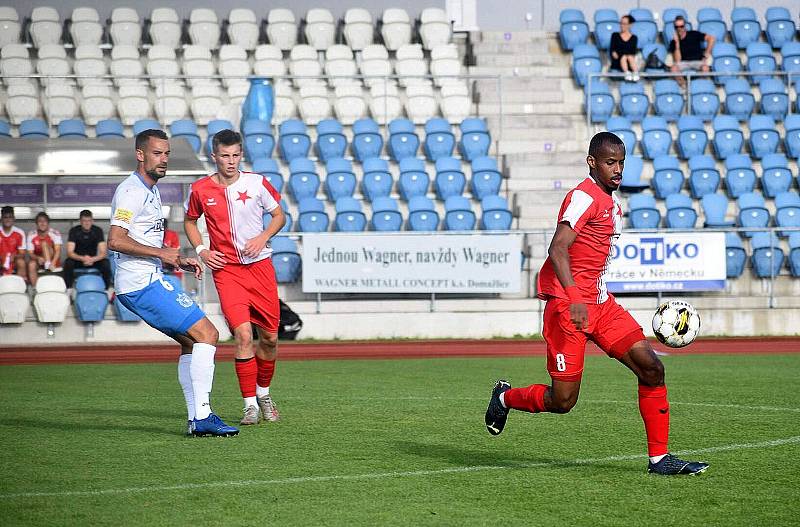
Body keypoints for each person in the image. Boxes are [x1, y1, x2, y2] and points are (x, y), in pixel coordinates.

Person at [484, 132, 709, 476]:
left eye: (621, 163)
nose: (618, 170)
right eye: (610, 163)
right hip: (568, 308)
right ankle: (505, 398)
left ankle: (659, 460)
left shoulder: (611, 202)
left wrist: (589, 297)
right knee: (563, 401)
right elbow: (558, 248)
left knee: (652, 369)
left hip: (602, 306)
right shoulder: (582, 197)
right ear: (592, 162)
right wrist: (574, 296)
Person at [107, 128, 238, 438]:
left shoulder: (149, 188)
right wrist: (163, 253)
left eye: (166, 154)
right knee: (208, 333)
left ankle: (197, 419)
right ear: (140, 154)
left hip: (148, 279)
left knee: (191, 341)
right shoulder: (132, 191)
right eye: (156, 153)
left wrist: (175, 259)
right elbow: (115, 239)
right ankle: (203, 416)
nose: (163, 159)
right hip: (140, 284)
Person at [184, 129, 286, 426]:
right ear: (214, 156)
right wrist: (202, 249)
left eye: (235, 155)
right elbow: (190, 221)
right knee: (242, 335)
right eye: (224, 156)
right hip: (227, 272)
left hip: (260, 269)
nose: (230, 162)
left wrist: (263, 236)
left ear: (241, 154)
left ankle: (264, 393)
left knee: (269, 339)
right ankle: (249, 405)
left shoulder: (257, 183)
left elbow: (279, 215)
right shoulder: (201, 189)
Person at [63, 209, 113, 289]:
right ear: (80, 221)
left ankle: (106, 289)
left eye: (89, 220)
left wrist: (92, 259)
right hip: (78, 261)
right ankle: (69, 289)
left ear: (92, 221)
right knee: (68, 262)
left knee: (106, 263)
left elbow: (103, 253)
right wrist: (82, 258)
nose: (87, 223)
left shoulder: (97, 231)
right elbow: (70, 252)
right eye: (84, 221)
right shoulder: (74, 231)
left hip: (93, 260)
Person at [668, 16, 715, 85]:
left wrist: (706, 54)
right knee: (673, 69)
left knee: (705, 68)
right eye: (677, 27)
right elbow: (677, 60)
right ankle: (684, 87)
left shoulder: (694, 34)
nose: (679, 29)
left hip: (698, 61)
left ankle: (697, 87)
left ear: (685, 26)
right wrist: (677, 43)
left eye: (681, 26)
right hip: (683, 62)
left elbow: (711, 39)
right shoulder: (673, 42)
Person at [26, 211, 62, 287]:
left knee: (44, 243)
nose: (42, 223)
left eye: (44, 221)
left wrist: (53, 263)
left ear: (48, 223)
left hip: (53, 260)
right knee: (31, 264)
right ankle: (35, 289)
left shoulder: (55, 233)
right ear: (36, 223)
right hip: (39, 260)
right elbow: (30, 253)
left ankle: (48, 265)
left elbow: (58, 250)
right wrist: (38, 258)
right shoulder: (31, 234)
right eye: (40, 221)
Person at [0, 206, 27, 281]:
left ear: (14, 219)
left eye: (10, 217)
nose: (8, 219)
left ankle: (19, 287)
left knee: (21, 262)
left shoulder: (19, 232)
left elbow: (22, 254)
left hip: (13, 261)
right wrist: (3, 258)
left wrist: (14, 256)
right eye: (5, 217)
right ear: (1, 219)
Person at [609, 15, 639, 81]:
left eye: (624, 24)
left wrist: (625, 54)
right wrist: (620, 54)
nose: (622, 25)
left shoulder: (634, 38)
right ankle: (626, 73)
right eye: (621, 23)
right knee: (624, 57)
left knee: (629, 57)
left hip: (629, 61)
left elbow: (632, 52)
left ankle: (636, 73)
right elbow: (612, 50)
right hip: (618, 60)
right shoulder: (615, 35)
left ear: (630, 25)